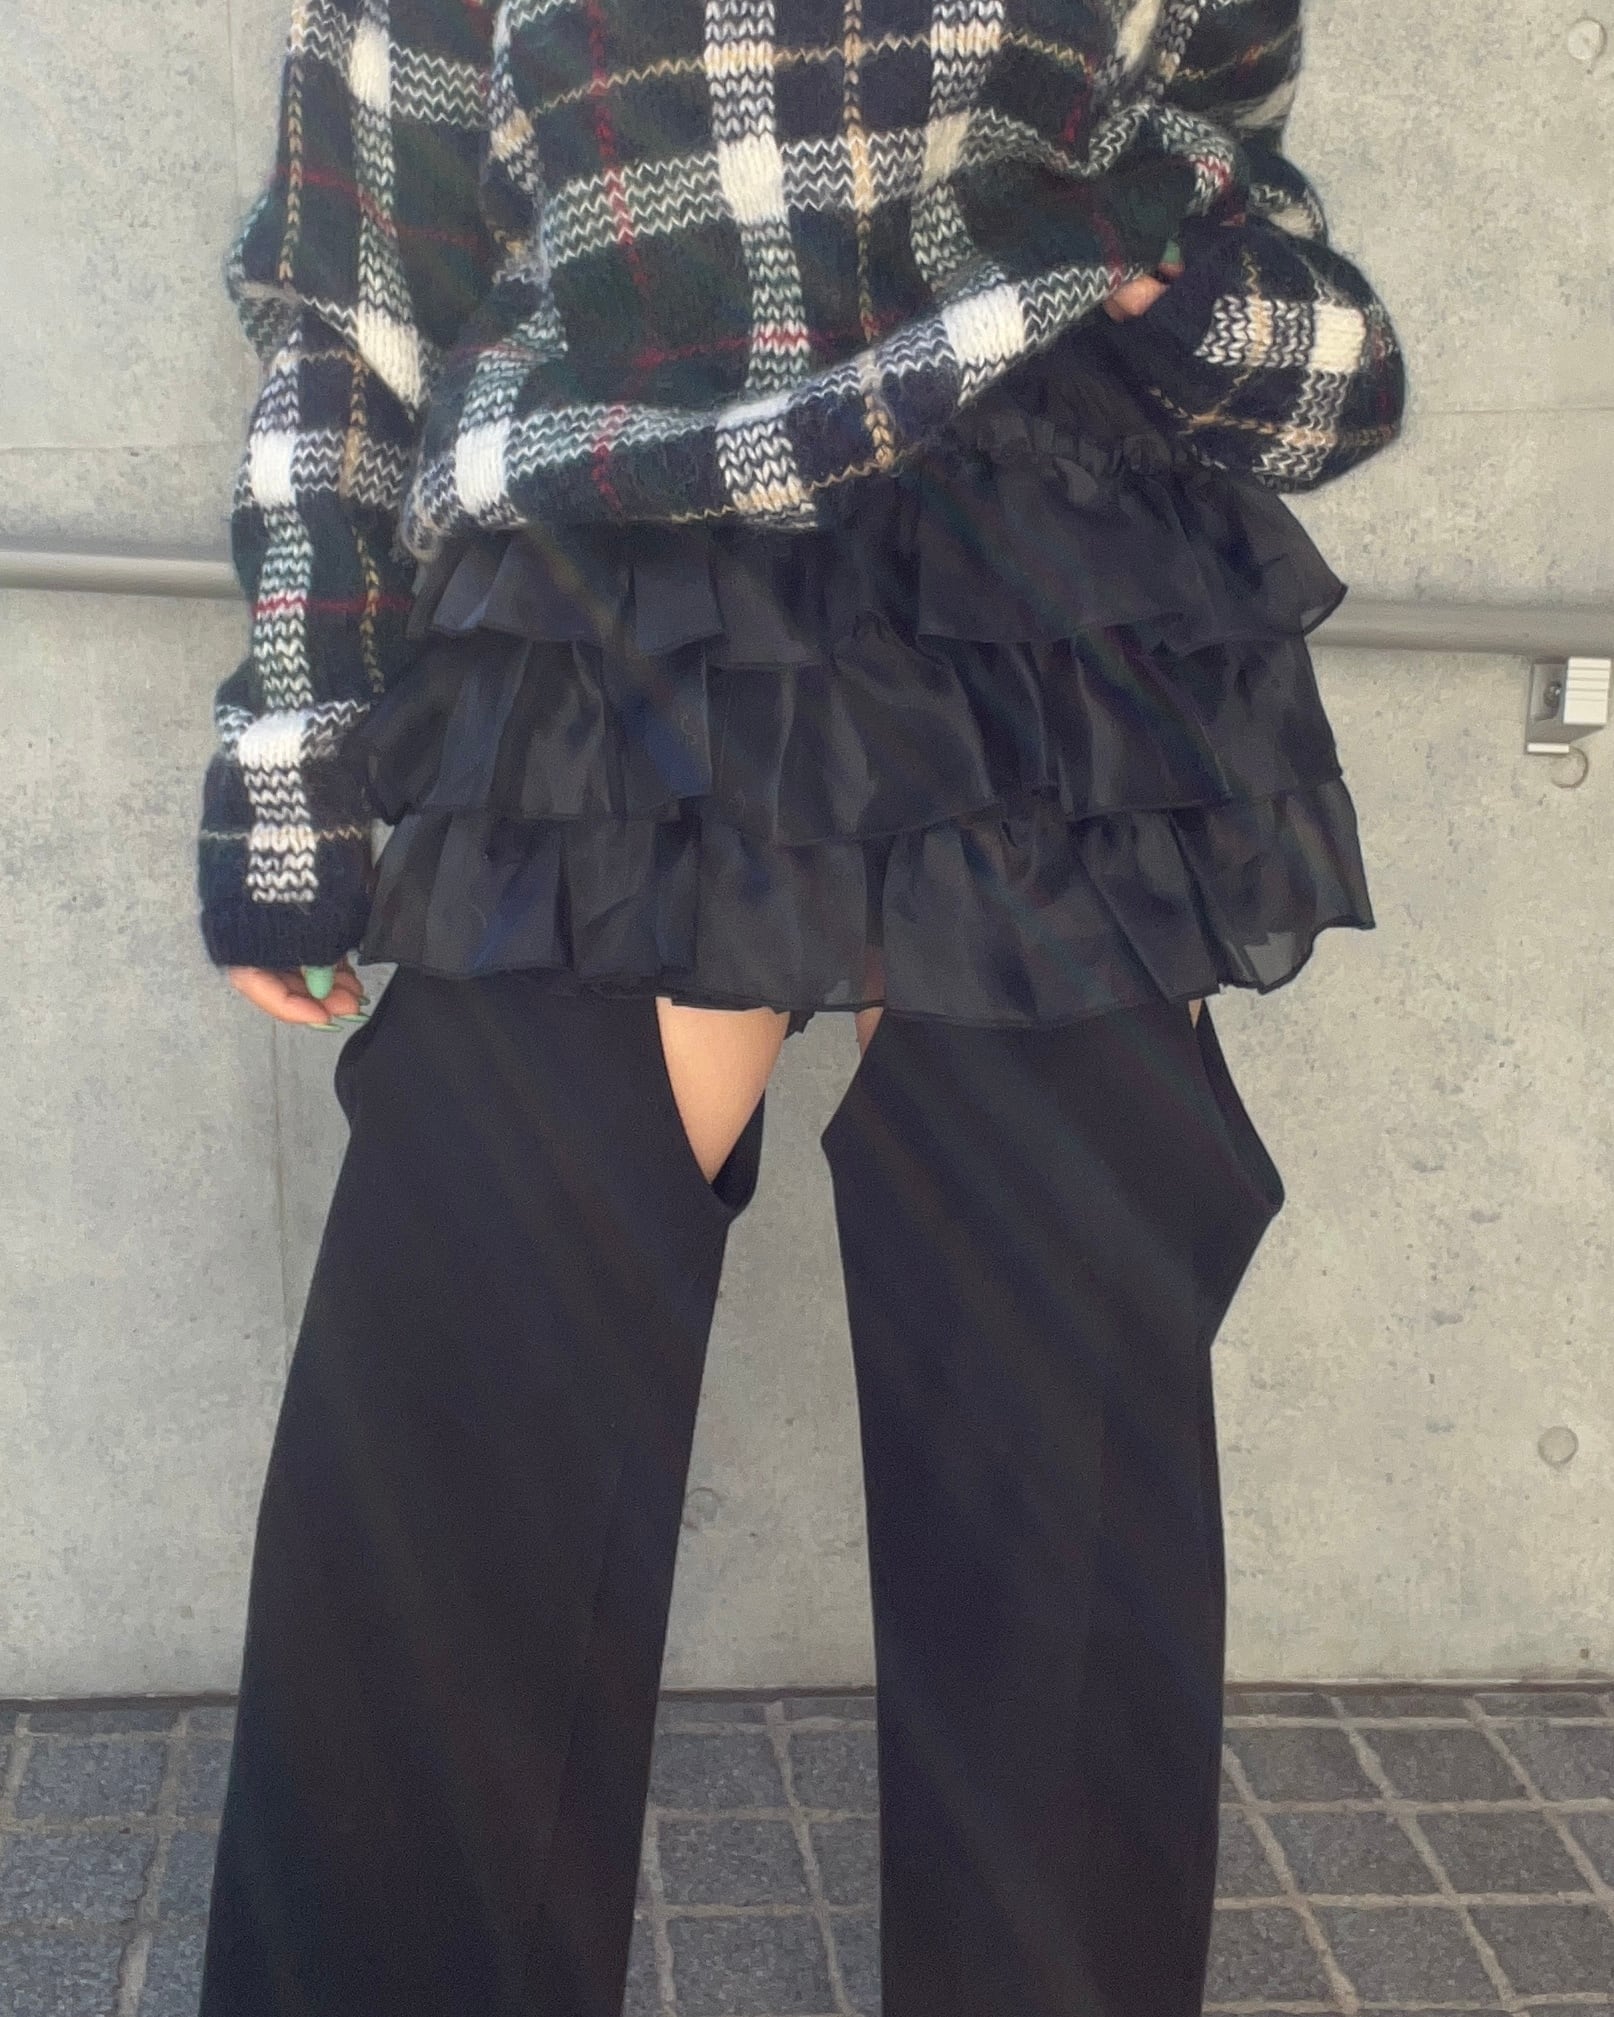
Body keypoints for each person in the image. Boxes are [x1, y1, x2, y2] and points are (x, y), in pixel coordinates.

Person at [192, 1, 1404, 2012]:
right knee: (456, 1429)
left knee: (1062, 1461)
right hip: (620, 567)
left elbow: (1250, 229)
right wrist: (296, 753)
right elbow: (356, 304)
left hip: (1049, 595)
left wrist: (1178, 276)